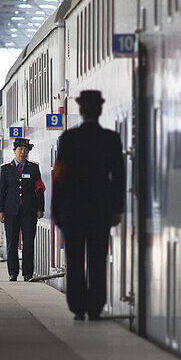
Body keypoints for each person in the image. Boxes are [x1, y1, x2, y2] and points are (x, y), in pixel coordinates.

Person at [50, 90, 126, 321]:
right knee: (97, 258)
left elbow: (59, 177)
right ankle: (95, 307)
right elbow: (119, 178)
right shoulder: (111, 139)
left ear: (81, 111)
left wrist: (55, 210)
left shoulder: (68, 139)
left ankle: (77, 307)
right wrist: (116, 209)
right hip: (100, 210)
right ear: (100, 111)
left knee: (74, 259)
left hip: (72, 210)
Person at [0, 138, 45, 282]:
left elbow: (39, 189)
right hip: (11, 211)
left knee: (28, 242)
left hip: (29, 211)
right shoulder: (6, 168)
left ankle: (27, 273)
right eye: (20, 149)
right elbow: (1, 191)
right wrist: (0, 211)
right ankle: (13, 272)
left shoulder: (33, 168)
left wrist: (40, 208)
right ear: (14, 151)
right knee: (12, 242)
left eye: (25, 150)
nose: (23, 152)